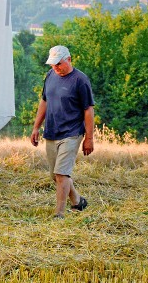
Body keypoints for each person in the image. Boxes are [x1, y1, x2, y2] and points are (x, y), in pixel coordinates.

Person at [30, 45, 95, 218]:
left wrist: (89, 138)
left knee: (61, 174)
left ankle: (59, 214)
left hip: (72, 132)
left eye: (59, 63)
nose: (56, 67)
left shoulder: (80, 80)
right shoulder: (50, 75)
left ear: (69, 59)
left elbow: (88, 110)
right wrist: (36, 127)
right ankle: (78, 201)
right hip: (52, 131)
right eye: (53, 64)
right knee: (56, 175)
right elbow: (44, 101)